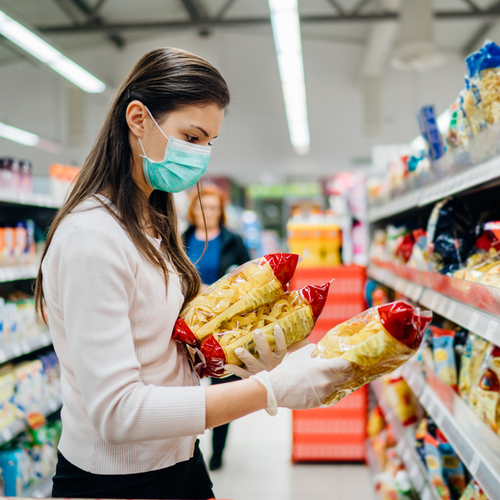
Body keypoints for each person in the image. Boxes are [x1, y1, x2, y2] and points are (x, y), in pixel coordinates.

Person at [34, 47, 353, 500]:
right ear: (138, 119)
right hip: (116, 484)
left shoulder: (148, 221)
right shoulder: (91, 238)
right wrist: (270, 389)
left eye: (208, 143)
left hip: (179, 463)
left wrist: (237, 349)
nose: (201, 157)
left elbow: (157, 344)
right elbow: (119, 413)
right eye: (192, 136)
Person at [183, 185, 250, 471]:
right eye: (202, 207)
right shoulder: (180, 238)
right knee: (187, 387)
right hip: (188, 325)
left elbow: (250, 278)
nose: (207, 212)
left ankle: (218, 452)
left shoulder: (233, 241)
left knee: (222, 387)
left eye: (213, 208)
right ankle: (189, 447)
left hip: (224, 326)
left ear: (220, 212)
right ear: (193, 210)